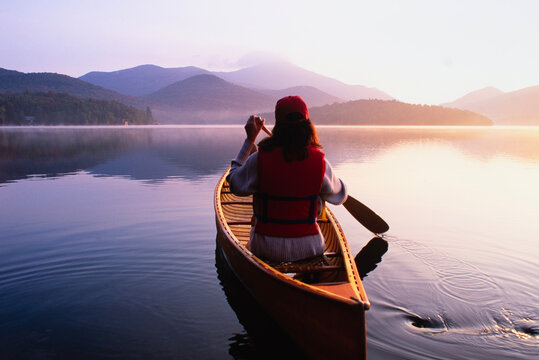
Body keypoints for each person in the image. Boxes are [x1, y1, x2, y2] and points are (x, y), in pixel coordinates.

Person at [227, 96, 347, 262]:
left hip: (266, 247)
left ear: (278, 126)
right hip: (310, 247)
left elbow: (234, 184)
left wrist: (250, 140)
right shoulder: (321, 163)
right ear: (307, 125)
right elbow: (339, 197)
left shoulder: (259, 160)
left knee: (251, 241)